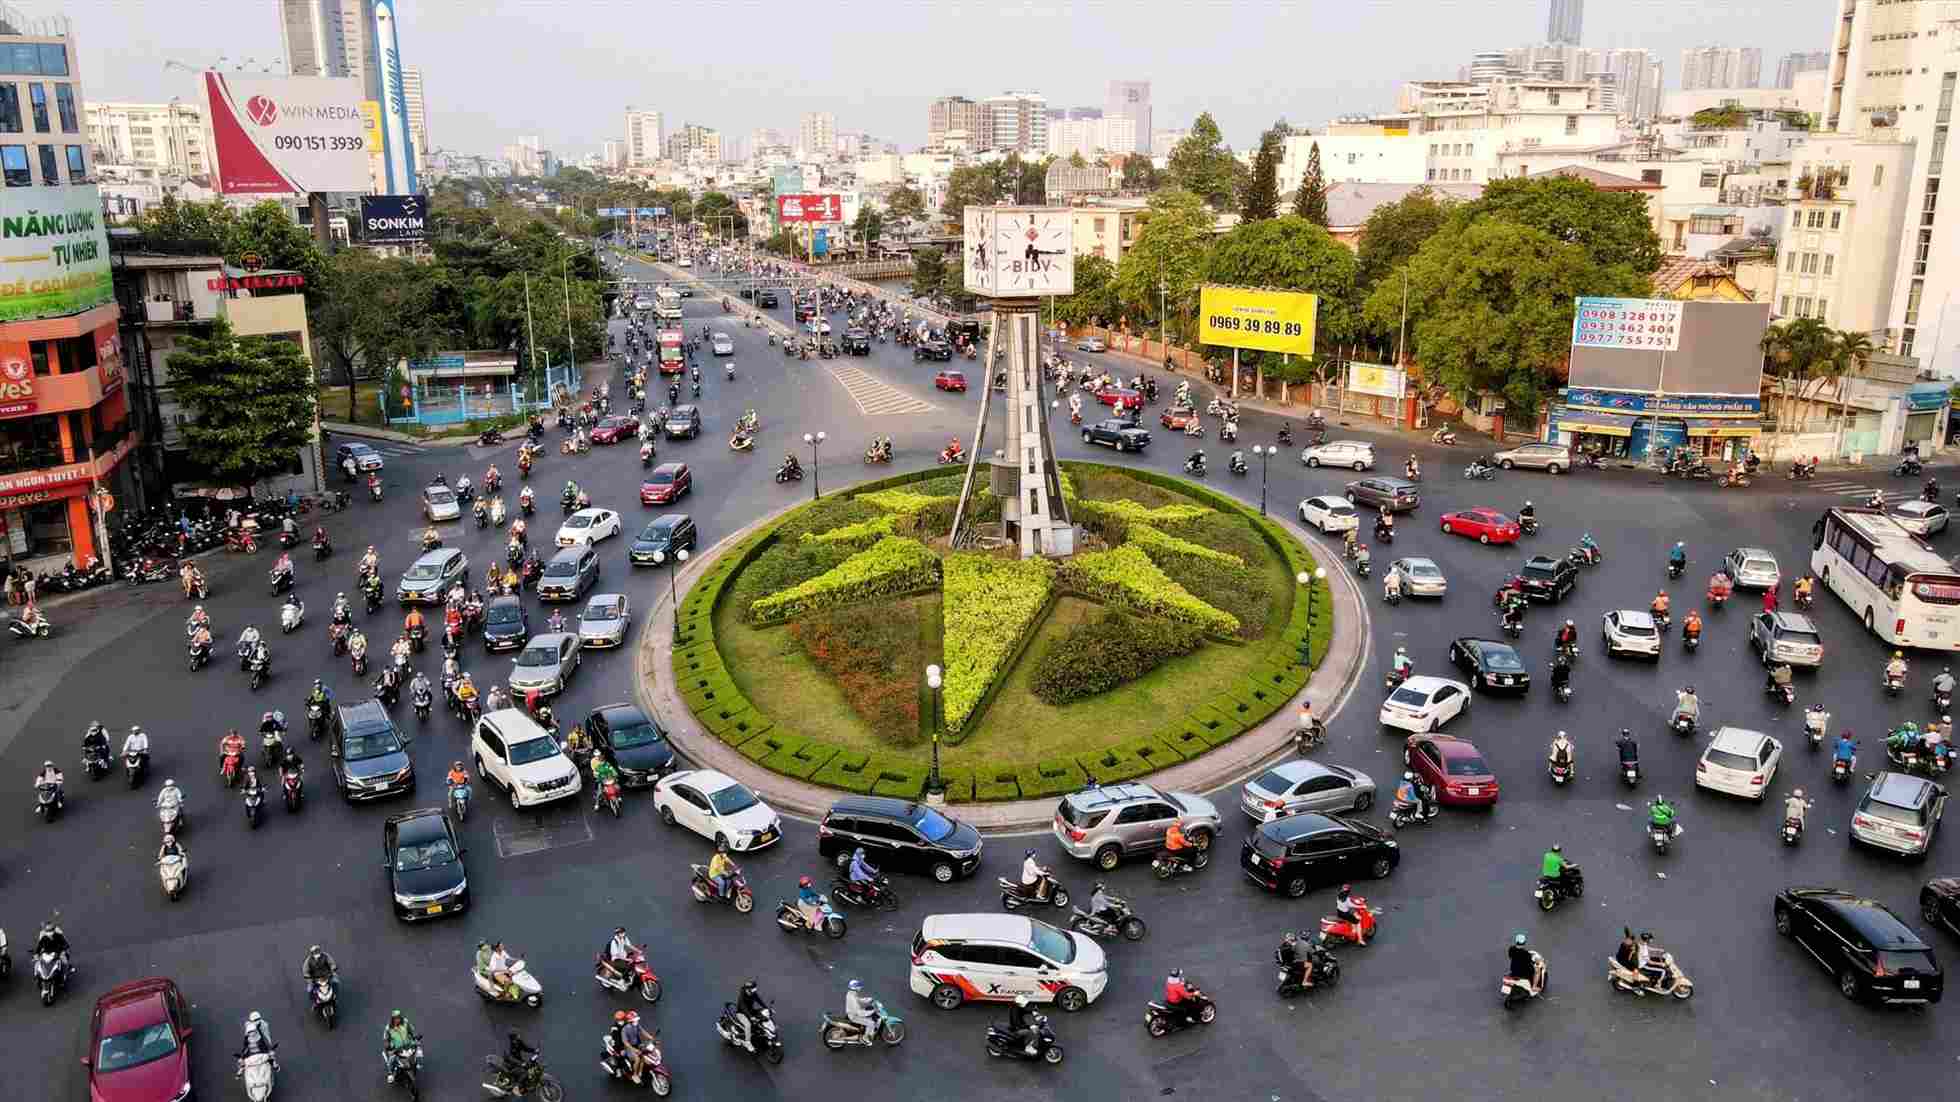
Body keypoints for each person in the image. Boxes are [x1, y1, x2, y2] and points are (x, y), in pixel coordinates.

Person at [733, 980, 769, 1052]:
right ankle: (748, 1043)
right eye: (753, 989)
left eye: (755, 989)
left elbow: (759, 1000)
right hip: (741, 1013)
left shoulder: (753, 993)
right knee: (748, 1025)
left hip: (751, 1011)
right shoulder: (742, 996)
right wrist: (751, 1016)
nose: (754, 990)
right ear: (748, 989)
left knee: (763, 1014)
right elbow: (743, 1008)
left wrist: (766, 1007)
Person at [382, 1010, 417, 1082]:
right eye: (396, 1018)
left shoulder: (405, 1022)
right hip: (396, 1048)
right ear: (392, 1019)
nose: (397, 1019)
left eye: (398, 1017)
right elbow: (386, 1039)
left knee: (417, 1050)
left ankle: (415, 1064)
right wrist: (388, 1046)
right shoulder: (388, 1028)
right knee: (392, 1058)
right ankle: (390, 1073)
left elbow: (411, 1030)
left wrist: (414, 1037)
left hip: (408, 1045)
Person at [843, 978, 877, 1043]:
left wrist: (868, 999)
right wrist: (871, 1012)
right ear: (855, 988)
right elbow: (859, 1012)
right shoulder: (852, 997)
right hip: (854, 1016)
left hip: (853, 1012)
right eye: (858, 986)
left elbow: (859, 1000)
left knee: (869, 1016)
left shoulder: (851, 993)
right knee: (871, 1023)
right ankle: (865, 1038)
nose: (860, 988)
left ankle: (865, 1032)